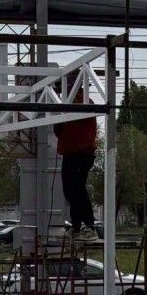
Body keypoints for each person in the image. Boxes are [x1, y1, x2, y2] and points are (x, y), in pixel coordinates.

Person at [54, 87, 99, 242]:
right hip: (71, 152)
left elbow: (64, 126)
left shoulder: (82, 102)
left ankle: (89, 226)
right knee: (70, 191)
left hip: (81, 152)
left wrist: (61, 116)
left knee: (77, 190)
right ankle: (77, 227)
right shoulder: (71, 104)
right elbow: (61, 128)